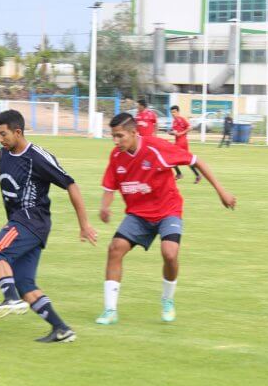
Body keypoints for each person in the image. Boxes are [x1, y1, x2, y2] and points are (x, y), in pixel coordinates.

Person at [0, 109, 98, 343]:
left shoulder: (37, 157)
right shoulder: (6, 152)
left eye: (3, 134)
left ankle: (10, 299)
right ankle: (61, 329)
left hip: (31, 221)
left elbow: (71, 184)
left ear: (17, 132)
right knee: (25, 284)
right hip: (23, 223)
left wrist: (84, 224)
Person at [95, 113, 236, 326]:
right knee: (115, 248)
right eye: (112, 136)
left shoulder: (156, 148)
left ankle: (167, 299)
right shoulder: (116, 156)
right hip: (138, 215)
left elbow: (197, 161)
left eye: (119, 136)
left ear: (134, 133)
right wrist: (105, 207)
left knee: (170, 254)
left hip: (167, 210)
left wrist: (221, 191)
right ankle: (110, 310)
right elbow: (109, 186)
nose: (115, 141)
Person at [170, 105, 202, 183]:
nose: (173, 114)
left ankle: (179, 173)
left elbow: (190, 127)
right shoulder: (174, 121)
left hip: (182, 142)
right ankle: (197, 175)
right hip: (179, 142)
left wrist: (181, 133)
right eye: (171, 112)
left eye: (174, 112)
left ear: (178, 112)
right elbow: (175, 132)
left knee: (170, 157)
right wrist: (171, 133)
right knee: (187, 160)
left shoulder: (181, 119)